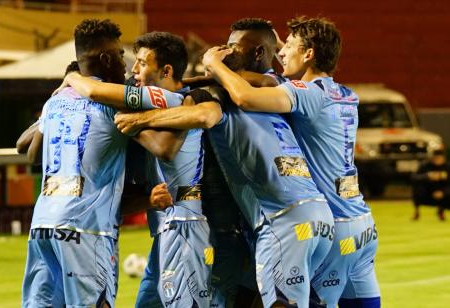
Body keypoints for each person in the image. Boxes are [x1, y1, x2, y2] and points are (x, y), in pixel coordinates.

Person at [112, 18, 335, 307]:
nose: (223, 51)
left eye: (231, 47)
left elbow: (205, 114)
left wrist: (137, 119)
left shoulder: (235, 94)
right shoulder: (278, 88)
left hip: (277, 220)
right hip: (312, 215)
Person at [201, 16, 381, 308]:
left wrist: (215, 65)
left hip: (333, 224)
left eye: (289, 47)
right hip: (362, 224)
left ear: (309, 53)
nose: (281, 53)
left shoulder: (306, 94)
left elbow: (246, 98)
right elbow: (269, 79)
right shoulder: (345, 93)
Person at [21, 20, 183, 308]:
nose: (126, 65)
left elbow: (31, 153)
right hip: (87, 230)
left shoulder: (56, 101)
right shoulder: (115, 103)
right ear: (107, 59)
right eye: (121, 56)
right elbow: (162, 147)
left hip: (42, 225)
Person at [60, 31, 215, 308]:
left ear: (166, 71)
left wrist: (73, 79)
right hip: (166, 228)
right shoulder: (172, 103)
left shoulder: (171, 100)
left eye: (142, 63)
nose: (134, 69)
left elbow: (97, 92)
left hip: (183, 225)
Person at [412, 148, 450, 221]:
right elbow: (414, 177)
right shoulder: (425, 166)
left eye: (440, 158)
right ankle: (416, 211)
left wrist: (443, 192)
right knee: (418, 187)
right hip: (428, 193)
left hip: (444, 194)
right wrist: (427, 176)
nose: (438, 160)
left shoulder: (448, 167)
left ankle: (441, 210)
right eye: (436, 158)